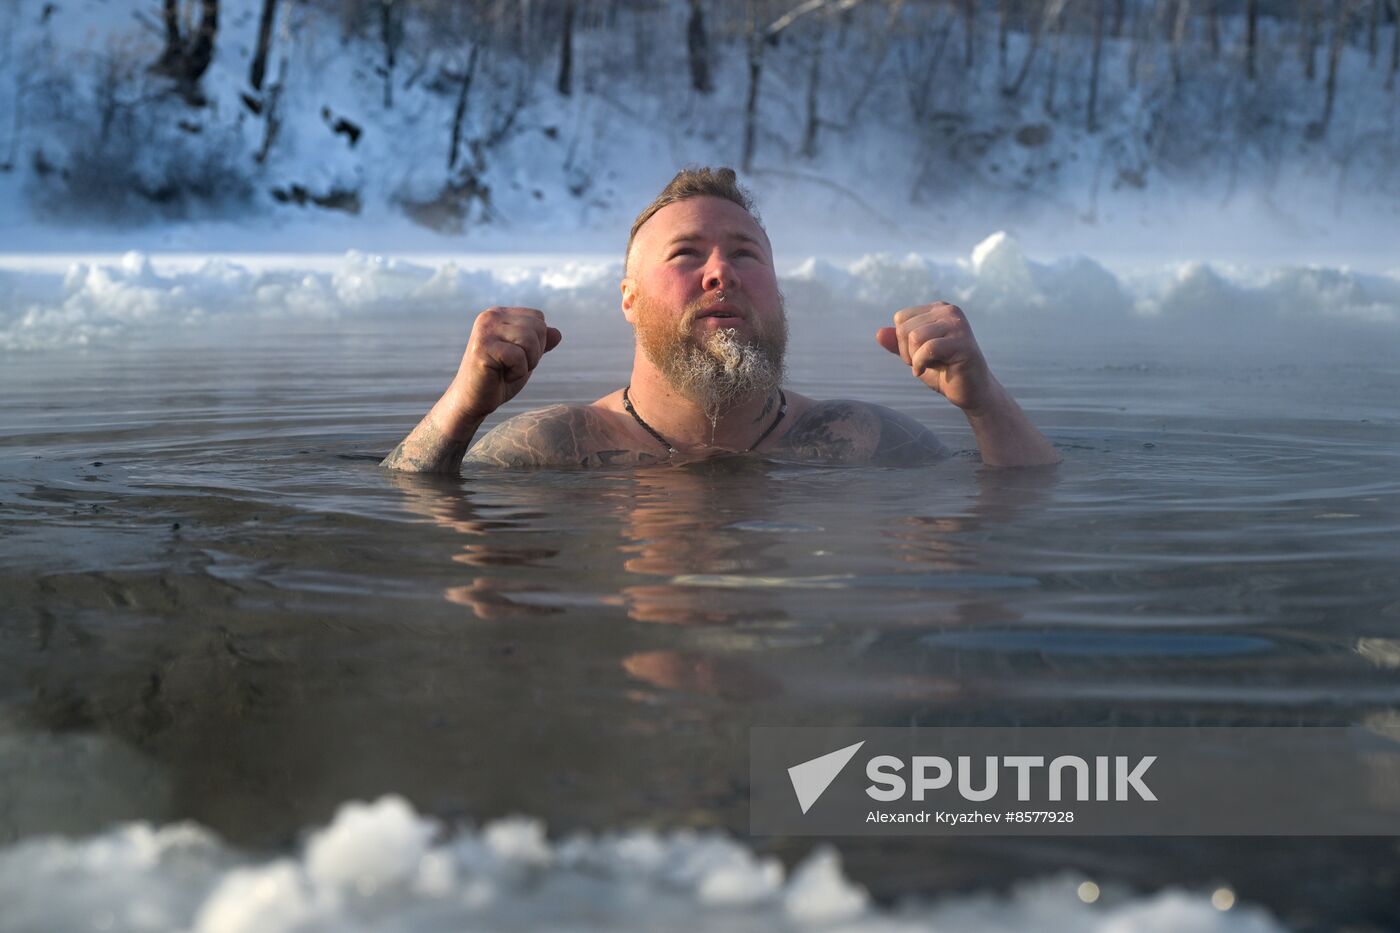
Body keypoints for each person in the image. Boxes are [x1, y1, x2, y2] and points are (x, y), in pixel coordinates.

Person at [381, 167, 1058, 473]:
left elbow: (1027, 506)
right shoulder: (557, 445)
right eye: (686, 254)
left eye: (745, 254)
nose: (720, 272)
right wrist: (463, 410)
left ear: (778, 294)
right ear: (628, 298)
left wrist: (985, 402)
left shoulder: (860, 439)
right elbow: (406, 506)